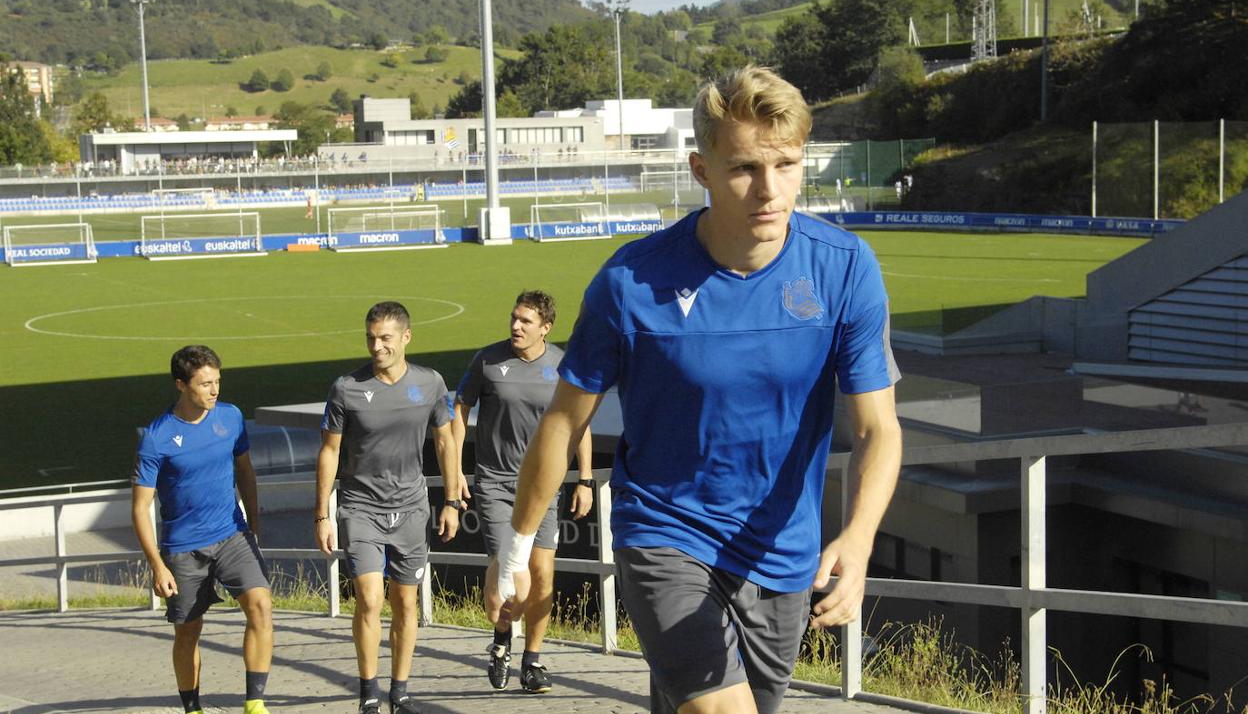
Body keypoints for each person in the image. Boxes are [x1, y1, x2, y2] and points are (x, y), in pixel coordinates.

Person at [497, 65, 903, 714]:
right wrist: (516, 548)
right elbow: (562, 421)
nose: (769, 190)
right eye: (744, 168)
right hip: (664, 531)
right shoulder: (632, 282)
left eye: (788, 164)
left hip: (781, 551)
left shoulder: (844, 268)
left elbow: (878, 428)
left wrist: (857, 541)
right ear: (700, 169)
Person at [314, 301, 461, 714]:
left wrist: (450, 500)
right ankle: (369, 692)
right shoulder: (346, 387)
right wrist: (323, 513)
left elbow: (446, 441)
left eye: (385, 338)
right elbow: (329, 451)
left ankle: (401, 691)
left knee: (406, 602)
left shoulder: (431, 383)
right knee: (369, 598)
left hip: (412, 510)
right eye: (370, 338)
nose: (376, 346)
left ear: (406, 338)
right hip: (360, 509)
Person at [451, 290, 594, 694]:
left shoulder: (563, 364)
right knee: (507, 572)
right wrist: (457, 470)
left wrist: (583, 479)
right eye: (514, 318)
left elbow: (576, 422)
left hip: (545, 487)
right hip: (495, 483)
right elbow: (458, 410)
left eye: (526, 321)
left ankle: (532, 660)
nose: (515, 326)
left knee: (542, 575)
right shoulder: (488, 360)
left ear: (545, 328)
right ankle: (501, 640)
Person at [131, 345, 274, 714]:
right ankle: (192, 708)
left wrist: (254, 527)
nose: (214, 390)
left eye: (217, 382)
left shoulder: (231, 417)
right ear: (181, 385)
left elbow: (246, 472)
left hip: (232, 534)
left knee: (261, 606)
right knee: (188, 632)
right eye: (205, 383)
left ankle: (255, 702)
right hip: (183, 548)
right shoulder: (157, 438)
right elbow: (140, 507)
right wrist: (157, 566)